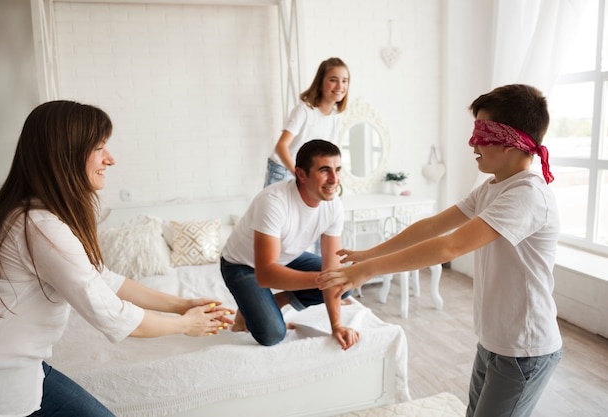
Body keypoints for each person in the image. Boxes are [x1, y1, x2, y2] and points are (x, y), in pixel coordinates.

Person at [318, 84, 562, 417]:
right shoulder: (491, 187)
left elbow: (450, 244)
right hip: (494, 339)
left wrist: (368, 271)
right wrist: (369, 254)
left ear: (511, 142)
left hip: (525, 347)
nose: (472, 144)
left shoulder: (527, 195)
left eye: (482, 134)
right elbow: (432, 227)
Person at [0, 101, 234, 417]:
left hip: (25, 368)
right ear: (65, 154)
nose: (110, 159)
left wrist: (182, 304)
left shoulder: (29, 214)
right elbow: (113, 315)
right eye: (100, 147)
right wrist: (186, 325)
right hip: (0, 383)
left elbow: (103, 278)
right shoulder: (40, 227)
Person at [222, 139, 359, 350]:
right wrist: (326, 279)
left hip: (287, 257)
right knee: (273, 334)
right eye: (324, 170)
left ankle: (278, 300)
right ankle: (250, 307)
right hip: (242, 265)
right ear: (301, 174)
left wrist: (337, 325)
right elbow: (266, 274)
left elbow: (332, 267)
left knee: (346, 282)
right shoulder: (273, 201)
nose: (334, 179)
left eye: (337, 170)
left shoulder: (334, 206)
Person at [264, 57, 350, 187]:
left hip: (307, 174)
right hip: (283, 170)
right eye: (333, 80)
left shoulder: (336, 117)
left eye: (344, 81)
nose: (340, 86)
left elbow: (329, 152)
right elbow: (281, 146)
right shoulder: (304, 111)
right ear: (320, 83)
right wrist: (297, 174)